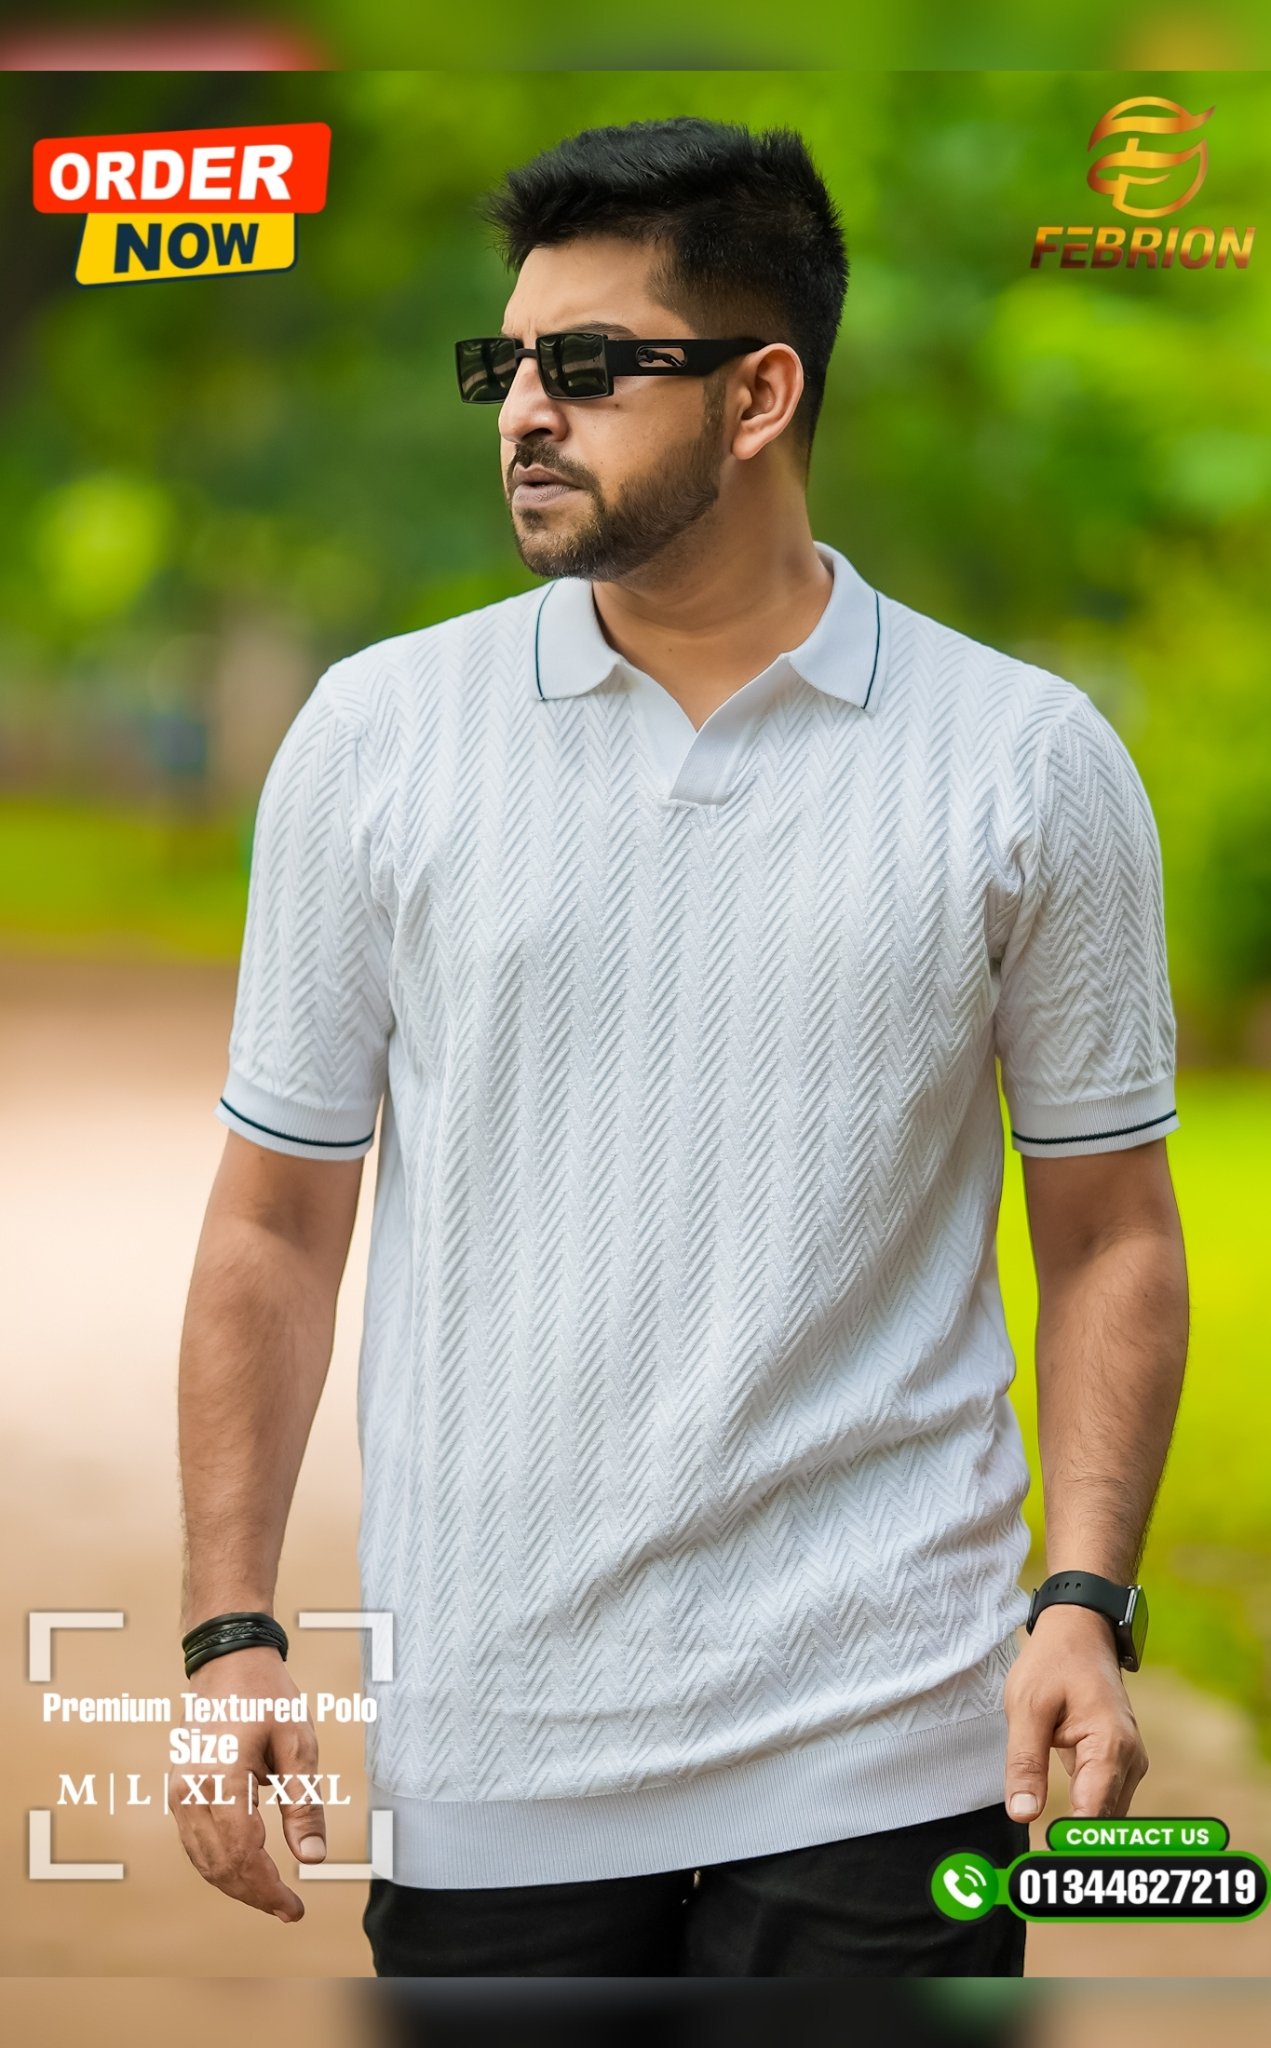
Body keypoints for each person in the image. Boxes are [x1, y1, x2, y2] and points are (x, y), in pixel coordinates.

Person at [170, 116, 1189, 1977]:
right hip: (498, 1754)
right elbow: (274, 1224)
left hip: (893, 1746)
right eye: (504, 367)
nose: (522, 414)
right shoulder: (377, 740)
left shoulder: (1027, 762)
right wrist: (229, 1625)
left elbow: (1113, 1229)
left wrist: (1084, 1599)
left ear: (759, 394)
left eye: (586, 366)